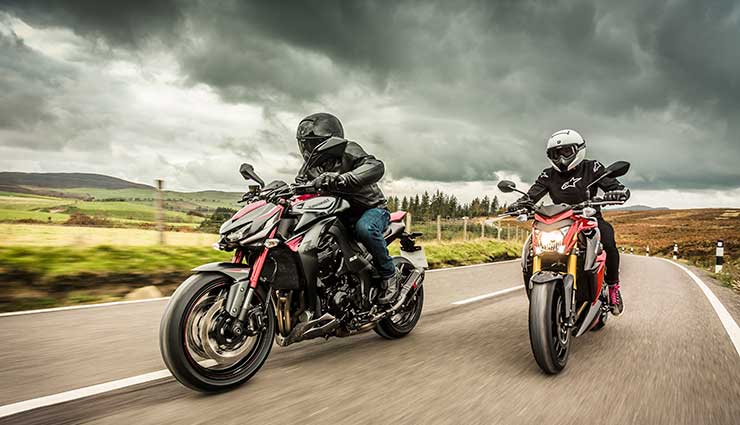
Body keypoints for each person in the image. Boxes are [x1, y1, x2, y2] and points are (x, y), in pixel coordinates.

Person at [508, 129, 629, 315]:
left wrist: (618, 191)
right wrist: (520, 203)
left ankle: (613, 288)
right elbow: (533, 194)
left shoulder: (593, 168)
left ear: (578, 150)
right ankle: (541, 297)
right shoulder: (548, 175)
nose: (561, 158)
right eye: (555, 153)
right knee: (532, 248)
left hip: (589, 219)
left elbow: (612, 185)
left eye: (566, 151)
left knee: (609, 241)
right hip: (559, 221)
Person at [294, 112, 401, 304]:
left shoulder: (349, 150)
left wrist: (344, 178)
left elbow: (375, 165)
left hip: (370, 210)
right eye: (305, 143)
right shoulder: (309, 167)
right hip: (337, 216)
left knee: (365, 229)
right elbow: (299, 187)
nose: (308, 149)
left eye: (313, 143)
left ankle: (389, 275)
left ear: (330, 140)